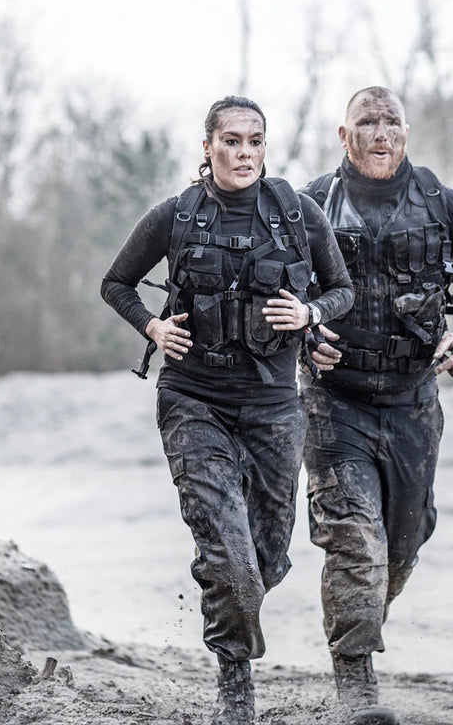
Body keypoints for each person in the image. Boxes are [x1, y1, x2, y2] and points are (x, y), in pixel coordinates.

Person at [101, 95, 354, 725]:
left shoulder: (297, 213)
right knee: (232, 563)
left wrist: (310, 313)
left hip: (274, 405)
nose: (244, 153)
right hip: (194, 400)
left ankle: (227, 584)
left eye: (255, 141)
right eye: (232, 141)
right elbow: (115, 283)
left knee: (265, 560)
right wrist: (153, 327)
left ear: (266, 146)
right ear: (208, 146)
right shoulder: (176, 214)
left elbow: (342, 291)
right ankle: (235, 687)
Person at [299, 86, 453, 725]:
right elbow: (275, 290)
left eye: (391, 122)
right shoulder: (306, 206)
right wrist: (303, 338)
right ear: (344, 135)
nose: (380, 133)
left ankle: (359, 612)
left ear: (406, 134)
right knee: (354, 539)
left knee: (404, 543)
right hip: (334, 404)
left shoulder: (447, 207)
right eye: (366, 122)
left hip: (414, 401)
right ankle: (356, 684)